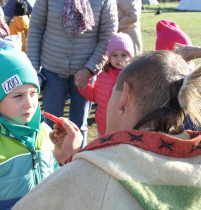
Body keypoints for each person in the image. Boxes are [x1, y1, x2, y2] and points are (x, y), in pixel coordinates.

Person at [13, 50, 201, 209]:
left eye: (113, 92)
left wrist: (79, 166)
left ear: (124, 96)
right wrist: (76, 158)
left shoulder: (89, 174)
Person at [0, 47, 80, 209]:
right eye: (18, 96)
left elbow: (60, 186)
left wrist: (66, 157)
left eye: (33, 93)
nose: (29, 103)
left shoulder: (45, 133)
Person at [27, 0, 118, 148]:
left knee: (79, 126)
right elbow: (36, 28)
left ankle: (77, 164)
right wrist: (34, 69)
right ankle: (51, 165)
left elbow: (108, 36)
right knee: (50, 124)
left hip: (85, 72)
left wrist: (89, 69)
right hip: (52, 69)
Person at [78, 32, 134, 136]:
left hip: (124, 129)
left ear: (131, 57)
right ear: (109, 57)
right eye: (115, 55)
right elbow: (95, 96)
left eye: (124, 55)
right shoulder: (103, 76)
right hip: (103, 127)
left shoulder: (134, 77)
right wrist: (83, 86)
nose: (119, 59)